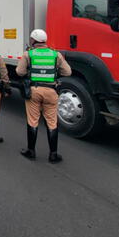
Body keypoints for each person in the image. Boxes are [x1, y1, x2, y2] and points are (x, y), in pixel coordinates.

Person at [16, 29, 71, 163]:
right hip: (51, 91)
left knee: (33, 121)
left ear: (33, 40)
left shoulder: (28, 54)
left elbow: (20, 72)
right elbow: (68, 72)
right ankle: (53, 154)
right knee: (52, 122)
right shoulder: (55, 54)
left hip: (34, 90)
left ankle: (31, 151)